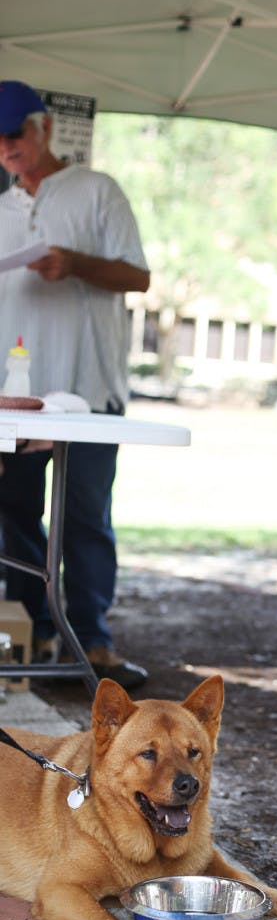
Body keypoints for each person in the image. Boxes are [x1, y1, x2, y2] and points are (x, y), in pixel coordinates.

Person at [0, 79, 150, 689]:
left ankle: (91, 641)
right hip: (18, 394)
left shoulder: (97, 191)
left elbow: (138, 276)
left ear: (45, 130)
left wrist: (75, 263)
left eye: (15, 134)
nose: (7, 148)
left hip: (90, 385)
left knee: (86, 513)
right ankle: (36, 627)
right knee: (13, 511)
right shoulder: (1, 209)